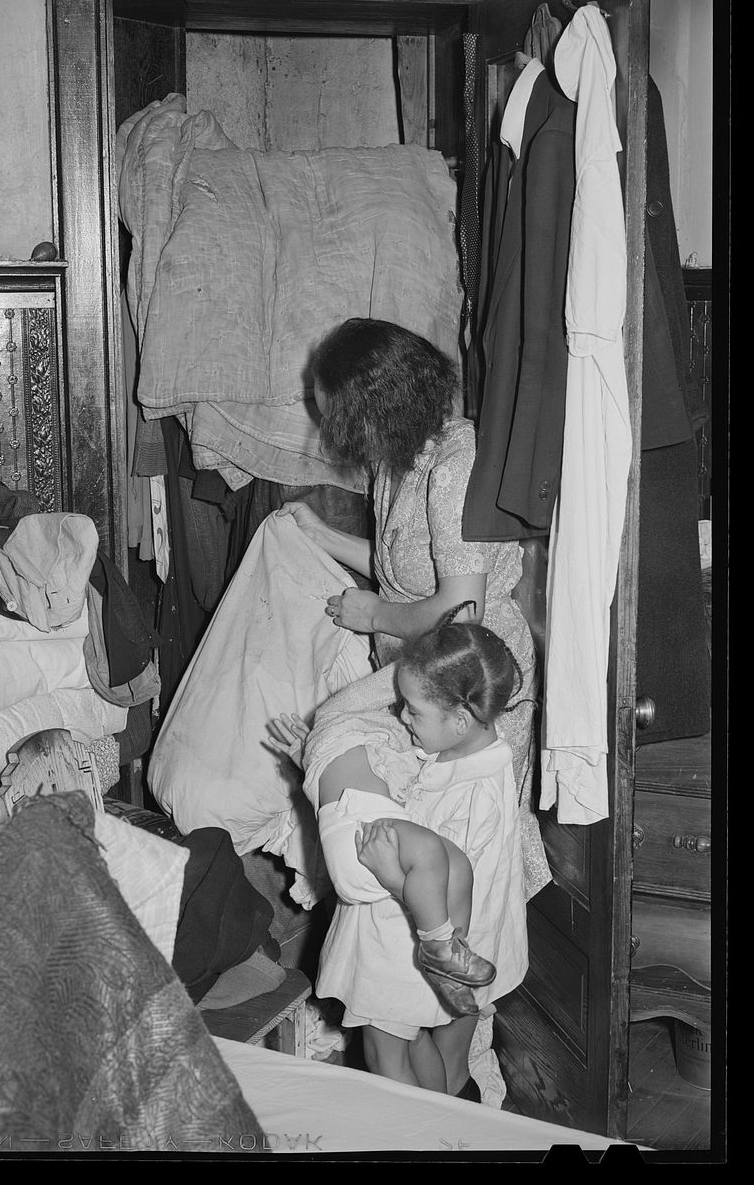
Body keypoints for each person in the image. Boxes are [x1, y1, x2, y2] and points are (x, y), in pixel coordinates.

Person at [277, 315, 549, 897]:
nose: (331, 430)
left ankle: (467, 964)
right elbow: (406, 563)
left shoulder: (455, 466)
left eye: (335, 415)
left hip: (466, 677)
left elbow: (462, 607)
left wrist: (373, 615)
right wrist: (320, 534)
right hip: (419, 672)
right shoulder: (397, 457)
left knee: (460, 844)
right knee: (412, 838)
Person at [268, 607, 528, 1096]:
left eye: (413, 710)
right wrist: (321, 757)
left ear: (459, 718)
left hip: (434, 936)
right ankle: (446, 1115)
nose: (401, 718)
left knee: (407, 1056)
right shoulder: (454, 748)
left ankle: (433, 1126)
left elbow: (441, 876)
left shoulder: (478, 793)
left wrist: (391, 877)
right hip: (423, 937)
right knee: (415, 1049)